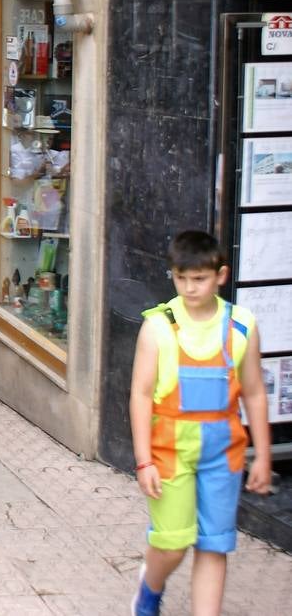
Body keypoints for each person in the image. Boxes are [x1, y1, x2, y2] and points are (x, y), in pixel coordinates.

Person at [128, 230, 272, 616]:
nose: (190, 288)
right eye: (181, 278)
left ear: (220, 275)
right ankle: (150, 588)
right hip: (168, 453)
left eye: (200, 279)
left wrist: (263, 456)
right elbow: (140, 395)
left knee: (214, 543)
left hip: (224, 453)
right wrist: (143, 461)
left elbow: (255, 392)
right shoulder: (158, 326)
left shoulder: (241, 325)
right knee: (173, 542)